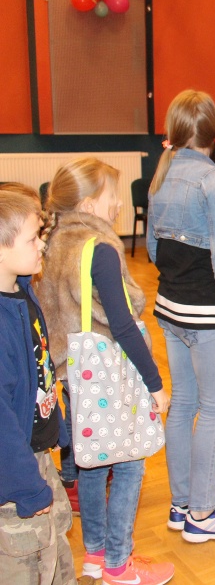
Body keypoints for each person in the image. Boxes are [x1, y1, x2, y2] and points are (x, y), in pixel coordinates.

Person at [37, 158, 174, 584]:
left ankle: (95, 555)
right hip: (106, 373)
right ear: (90, 204)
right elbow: (122, 325)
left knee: (92, 462)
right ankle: (119, 562)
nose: (118, 204)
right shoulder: (99, 249)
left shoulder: (51, 241)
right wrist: (155, 384)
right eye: (113, 195)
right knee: (130, 461)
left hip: (70, 374)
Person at [148, 90, 215, 543]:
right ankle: (202, 513)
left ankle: (182, 506)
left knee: (184, 405)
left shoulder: (162, 174)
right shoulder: (214, 181)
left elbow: (153, 250)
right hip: (208, 314)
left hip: (170, 307)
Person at [0, 192, 75, 585]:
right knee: (27, 564)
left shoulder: (22, 291)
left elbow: (39, 368)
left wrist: (54, 423)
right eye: (32, 239)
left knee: (56, 548)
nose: (42, 245)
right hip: (15, 473)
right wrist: (27, 486)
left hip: (37, 455)